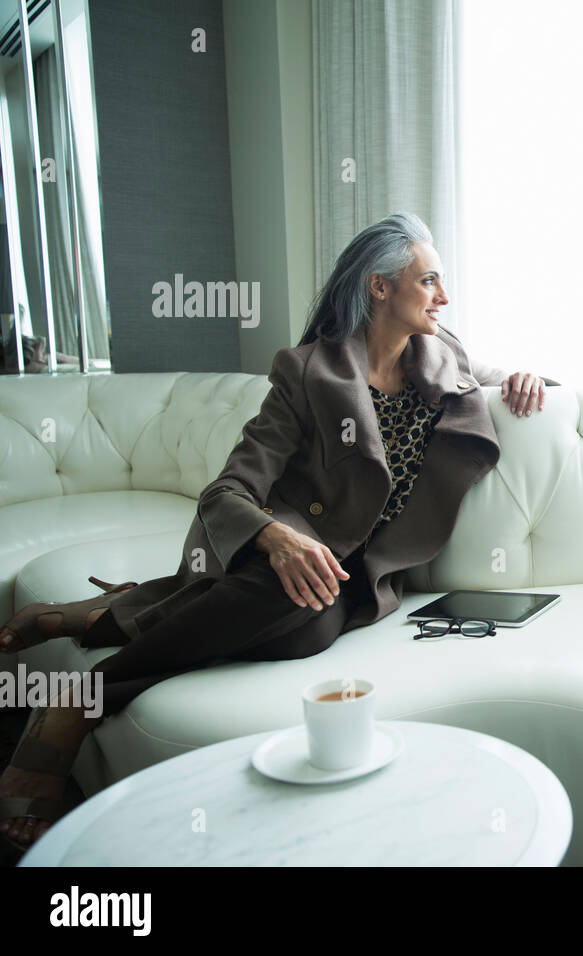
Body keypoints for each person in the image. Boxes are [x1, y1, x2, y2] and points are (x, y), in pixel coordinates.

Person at [0, 212, 553, 858]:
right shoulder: (306, 373)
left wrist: (523, 376)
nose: (443, 296)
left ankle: (103, 622)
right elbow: (226, 493)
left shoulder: (445, 357)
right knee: (301, 598)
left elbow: (488, 375)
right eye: (428, 281)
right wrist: (275, 537)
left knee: (310, 627)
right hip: (286, 562)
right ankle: (78, 704)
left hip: (361, 578)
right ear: (379, 287)